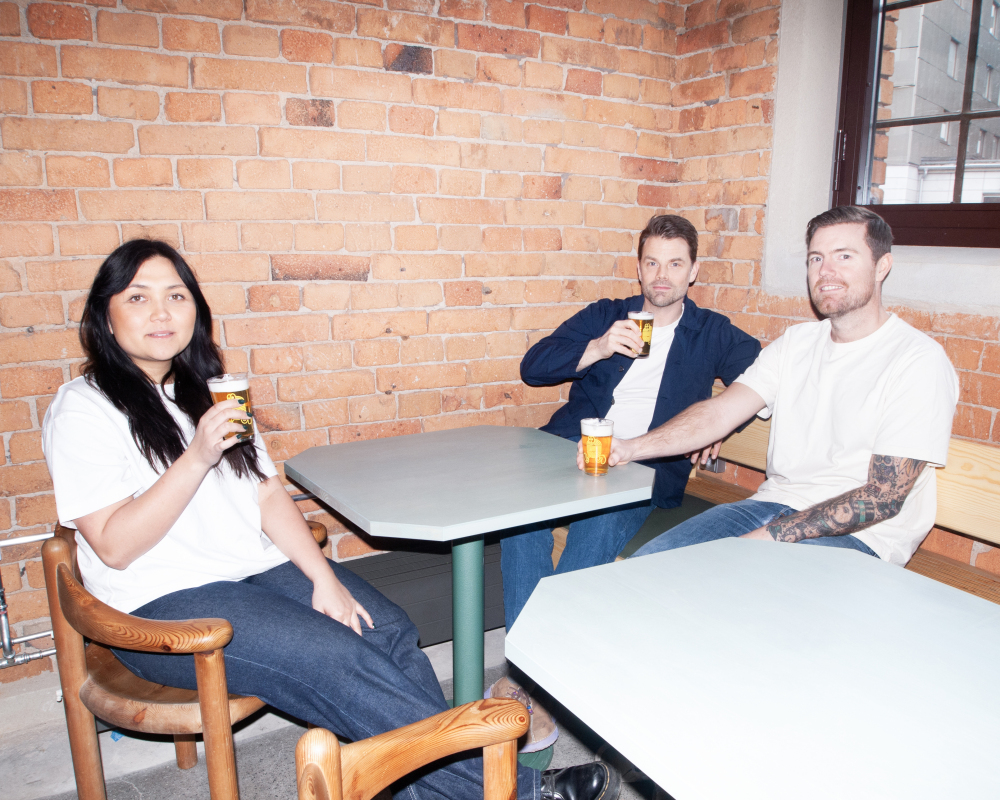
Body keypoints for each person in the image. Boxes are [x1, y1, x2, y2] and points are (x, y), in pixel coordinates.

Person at [42, 240, 620, 800]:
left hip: (251, 572)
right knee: (337, 661)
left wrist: (324, 579)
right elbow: (114, 546)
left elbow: (266, 494)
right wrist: (196, 457)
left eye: (176, 295)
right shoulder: (84, 407)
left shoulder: (207, 392)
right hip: (161, 604)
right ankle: (514, 792)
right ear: (105, 315)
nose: (162, 312)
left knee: (387, 630)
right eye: (138, 297)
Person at [492, 215, 760, 750]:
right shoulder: (607, 315)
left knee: (596, 527)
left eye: (675, 264)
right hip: (570, 451)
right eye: (652, 262)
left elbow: (766, 378)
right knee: (521, 525)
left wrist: (722, 426)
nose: (662, 275)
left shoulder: (712, 331)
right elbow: (532, 367)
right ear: (639, 268)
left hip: (644, 468)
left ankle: (532, 684)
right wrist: (596, 347)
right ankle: (533, 672)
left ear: (693, 272)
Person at [600, 206, 958, 563]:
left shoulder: (916, 360)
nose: (826, 271)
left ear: (882, 266)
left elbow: (883, 498)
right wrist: (630, 449)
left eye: (844, 256)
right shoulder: (797, 343)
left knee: (732, 585)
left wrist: (767, 537)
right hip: (768, 506)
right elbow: (719, 414)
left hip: (862, 538)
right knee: (647, 568)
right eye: (816, 258)